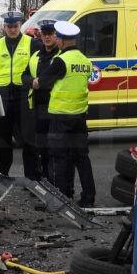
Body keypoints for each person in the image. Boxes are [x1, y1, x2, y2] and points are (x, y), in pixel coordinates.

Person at [33, 20, 95, 207]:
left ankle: (59, 200)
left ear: (61, 40)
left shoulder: (61, 61)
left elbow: (42, 83)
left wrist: (35, 81)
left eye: (57, 37)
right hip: (79, 117)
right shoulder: (85, 60)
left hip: (60, 117)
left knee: (58, 158)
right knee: (82, 158)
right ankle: (88, 198)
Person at [0, 11, 41, 179]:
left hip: (23, 97)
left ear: (20, 25)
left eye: (15, 26)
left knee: (28, 139)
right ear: (4, 27)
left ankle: (32, 178)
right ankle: (2, 175)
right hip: (0, 98)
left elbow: (42, 64)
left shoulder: (32, 43)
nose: (12, 29)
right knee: (2, 140)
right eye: (9, 26)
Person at [21, 19, 60, 181]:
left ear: (56, 35)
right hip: (38, 106)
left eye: (50, 34)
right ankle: (44, 180)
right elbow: (24, 76)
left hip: (55, 107)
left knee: (54, 149)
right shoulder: (36, 55)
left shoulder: (61, 55)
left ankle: (55, 182)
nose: (47, 37)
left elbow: (55, 77)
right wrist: (32, 82)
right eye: (44, 34)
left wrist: (40, 82)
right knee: (41, 147)